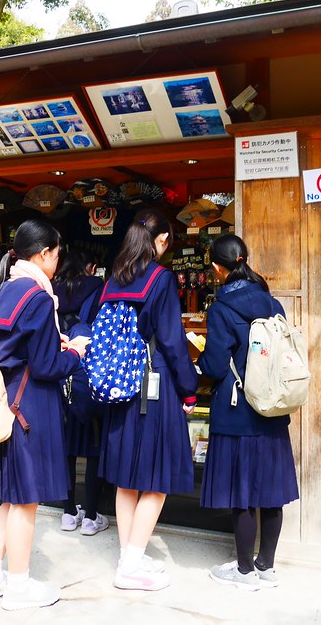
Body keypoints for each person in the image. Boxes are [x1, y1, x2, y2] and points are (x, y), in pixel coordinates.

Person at [0, 220, 89, 611]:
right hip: (29, 408)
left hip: (5, 402)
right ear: (43, 254)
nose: (58, 261)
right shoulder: (38, 296)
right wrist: (75, 353)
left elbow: (18, 347)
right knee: (26, 501)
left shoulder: (8, 288)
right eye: (56, 254)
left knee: (10, 496)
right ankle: (18, 585)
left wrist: (55, 344)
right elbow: (45, 366)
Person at [98, 208, 199, 591]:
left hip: (119, 388)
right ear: (161, 240)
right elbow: (172, 341)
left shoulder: (114, 280)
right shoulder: (161, 279)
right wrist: (189, 388)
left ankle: (129, 557)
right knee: (157, 481)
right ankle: (131, 566)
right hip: (153, 388)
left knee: (126, 480)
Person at [197, 234, 299, 591]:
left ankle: (243, 572)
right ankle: (266, 566)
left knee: (242, 494)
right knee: (271, 491)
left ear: (217, 268)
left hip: (237, 409)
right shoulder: (273, 303)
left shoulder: (221, 308)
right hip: (272, 407)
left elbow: (214, 365)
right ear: (245, 259)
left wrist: (199, 360)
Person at [51, 247, 109, 535]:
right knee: (94, 446)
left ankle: (67, 513)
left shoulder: (50, 290)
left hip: (59, 374)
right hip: (88, 376)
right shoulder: (99, 288)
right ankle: (91, 516)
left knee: (66, 449)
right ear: (92, 267)